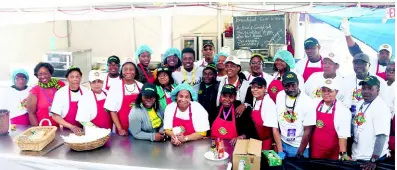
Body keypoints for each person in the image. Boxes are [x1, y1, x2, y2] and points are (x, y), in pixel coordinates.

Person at [268, 72, 316, 159]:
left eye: (293, 85)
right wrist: (280, 150)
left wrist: (299, 153)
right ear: (283, 86)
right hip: (282, 143)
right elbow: (276, 126)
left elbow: (307, 132)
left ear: (298, 84)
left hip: (299, 147)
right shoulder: (280, 96)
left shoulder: (308, 102)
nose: (291, 88)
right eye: (287, 86)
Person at [352, 76, 391, 170]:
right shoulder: (360, 103)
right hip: (358, 155)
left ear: (378, 90)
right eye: (364, 88)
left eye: (370, 88)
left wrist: (373, 160)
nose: (365, 91)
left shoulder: (381, 107)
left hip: (370, 159)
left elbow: (381, 136)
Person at [310, 79, 351, 160]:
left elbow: (343, 136)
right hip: (315, 150)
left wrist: (343, 155)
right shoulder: (314, 103)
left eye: (330, 91)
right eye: (324, 90)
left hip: (332, 153)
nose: (326, 93)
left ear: (337, 92)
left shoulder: (343, 110)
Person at [105, 60, 143, 136]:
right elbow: (112, 111)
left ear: (136, 72)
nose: (128, 72)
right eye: (125, 69)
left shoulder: (141, 86)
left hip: (140, 128)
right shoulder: (115, 86)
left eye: (131, 69)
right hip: (122, 128)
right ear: (121, 71)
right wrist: (120, 129)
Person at [51, 66, 88, 134]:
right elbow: (55, 116)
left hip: (85, 129)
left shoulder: (86, 91)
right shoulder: (61, 93)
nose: (75, 79)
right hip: (67, 130)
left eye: (77, 76)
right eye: (72, 77)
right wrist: (71, 127)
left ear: (80, 78)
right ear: (67, 79)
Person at [249, 77, 277, 150]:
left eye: (258, 87)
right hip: (255, 142)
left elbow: (275, 130)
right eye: (253, 87)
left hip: (265, 144)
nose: (255, 89)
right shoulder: (255, 99)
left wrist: (279, 150)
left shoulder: (268, 103)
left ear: (265, 88)